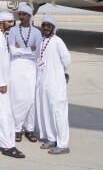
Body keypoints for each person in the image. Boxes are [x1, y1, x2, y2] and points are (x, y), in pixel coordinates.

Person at [0, 11, 25, 159]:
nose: (12, 24)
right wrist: (2, 83)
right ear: (2, 22)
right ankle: (7, 145)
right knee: (4, 113)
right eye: (9, 22)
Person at [36, 15, 71, 155]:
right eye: (43, 25)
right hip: (44, 82)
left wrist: (60, 72)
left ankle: (63, 144)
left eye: (48, 25)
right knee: (47, 112)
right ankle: (52, 139)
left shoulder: (58, 41)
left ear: (53, 28)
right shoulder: (42, 41)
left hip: (56, 83)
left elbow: (67, 59)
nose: (45, 28)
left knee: (58, 113)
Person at [7, 4, 42, 143]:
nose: (21, 17)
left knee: (31, 99)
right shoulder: (14, 30)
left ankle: (30, 129)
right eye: (20, 14)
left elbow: (38, 52)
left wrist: (21, 50)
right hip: (16, 67)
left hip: (30, 68)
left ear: (30, 16)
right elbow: (12, 50)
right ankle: (17, 129)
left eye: (24, 14)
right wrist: (28, 50)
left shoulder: (37, 33)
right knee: (16, 98)